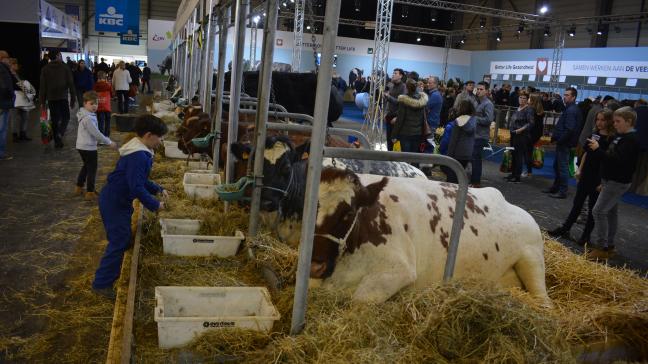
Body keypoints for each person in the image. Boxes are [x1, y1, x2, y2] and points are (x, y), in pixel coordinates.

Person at [92, 114, 169, 299]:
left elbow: (139, 180)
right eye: (159, 137)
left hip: (117, 200)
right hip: (115, 202)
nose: (160, 142)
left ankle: (113, 268)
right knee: (118, 241)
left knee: (123, 238)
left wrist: (158, 188)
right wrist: (154, 204)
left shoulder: (138, 150)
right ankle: (101, 284)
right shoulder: (139, 156)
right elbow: (136, 187)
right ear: (149, 135)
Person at [549, 109, 615, 245]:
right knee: (577, 204)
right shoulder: (594, 134)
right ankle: (565, 228)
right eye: (598, 119)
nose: (600, 122)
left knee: (593, 208)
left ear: (609, 121)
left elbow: (609, 161)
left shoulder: (612, 139)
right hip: (587, 173)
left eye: (603, 120)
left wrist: (604, 181)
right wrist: (580, 168)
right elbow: (586, 153)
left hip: (599, 176)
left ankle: (586, 236)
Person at [586, 107, 641, 260]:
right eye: (615, 121)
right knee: (610, 213)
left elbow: (618, 161)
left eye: (618, 121)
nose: (614, 124)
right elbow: (612, 158)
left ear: (629, 122)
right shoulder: (620, 136)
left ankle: (602, 247)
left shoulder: (631, 140)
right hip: (611, 181)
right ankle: (609, 245)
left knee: (598, 211)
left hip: (617, 182)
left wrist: (598, 150)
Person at [75, 91, 117, 200]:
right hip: (88, 147)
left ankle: (79, 187)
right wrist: (109, 142)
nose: (94, 106)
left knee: (86, 166)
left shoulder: (84, 114)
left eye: (96, 103)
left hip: (81, 146)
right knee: (92, 169)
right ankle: (90, 192)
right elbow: (96, 133)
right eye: (91, 103)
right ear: (85, 103)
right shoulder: (88, 118)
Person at [543, 87, 582, 199]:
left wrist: (559, 140)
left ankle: (562, 190)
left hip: (565, 143)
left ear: (573, 97)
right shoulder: (571, 109)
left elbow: (569, 129)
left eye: (567, 95)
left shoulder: (571, 110)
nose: (565, 97)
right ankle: (556, 187)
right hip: (565, 142)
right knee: (557, 166)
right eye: (564, 94)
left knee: (562, 167)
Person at [40, 50, 76, 149]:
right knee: (66, 117)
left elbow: (42, 87)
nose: (61, 56)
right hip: (62, 97)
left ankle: (57, 140)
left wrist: (42, 101)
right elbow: (71, 83)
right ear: (57, 56)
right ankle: (59, 134)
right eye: (60, 55)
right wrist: (73, 98)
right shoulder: (65, 67)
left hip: (51, 98)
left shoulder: (45, 69)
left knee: (55, 119)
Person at [444, 100, 476, 183]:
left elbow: (454, 140)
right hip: (467, 153)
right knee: (461, 177)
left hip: (457, 153)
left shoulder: (458, 121)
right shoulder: (473, 120)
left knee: (452, 178)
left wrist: (449, 155)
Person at [392, 78, 428, 153]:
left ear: (407, 87)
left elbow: (400, 119)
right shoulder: (423, 100)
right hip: (418, 134)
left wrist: (394, 135)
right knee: (414, 156)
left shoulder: (403, 100)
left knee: (405, 158)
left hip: (405, 134)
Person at [506, 90, 534, 183]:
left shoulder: (528, 109)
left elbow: (530, 123)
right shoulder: (517, 108)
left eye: (524, 98)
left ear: (527, 99)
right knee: (513, 154)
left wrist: (520, 130)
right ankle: (513, 173)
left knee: (518, 156)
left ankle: (517, 176)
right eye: (520, 97)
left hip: (522, 136)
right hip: (513, 134)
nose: (521, 99)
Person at [470, 81, 494, 187]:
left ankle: (476, 182)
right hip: (473, 134)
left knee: (476, 159)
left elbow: (488, 120)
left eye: (481, 89)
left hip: (481, 136)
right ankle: (473, 180)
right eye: (478, 89)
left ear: (487, 91)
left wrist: (475, 118)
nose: (478, 91)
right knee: (473, 158)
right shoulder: (476, 102)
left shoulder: (488, 104)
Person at [10, 60, 36, 142]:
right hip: (14, 99)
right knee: (14, 117)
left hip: (24, 98)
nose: (17, 65)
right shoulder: (8, 75)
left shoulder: (20, 74)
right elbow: (14, 86)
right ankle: (14, 135)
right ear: (11, 65)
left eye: (17, 64)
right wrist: (23, 87)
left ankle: (23, 133)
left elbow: (25, 83)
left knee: (25, 117)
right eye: (14, 64)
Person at [0, 50, 19, 160]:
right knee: (2, 129)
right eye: (7, 58)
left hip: (3, 102)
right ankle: (1, 153)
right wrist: (11, 95)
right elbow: (4, 86)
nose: (9, 60)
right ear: (3, 58)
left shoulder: (5, 69)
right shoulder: (2, 69)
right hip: (3, 103)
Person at [384, 68, 406, 150]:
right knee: (389, 140)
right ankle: (389, 158)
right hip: (389, 116)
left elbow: (400, 103)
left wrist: (397, 117)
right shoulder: (392, 86)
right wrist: (386, 113)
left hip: (396, 118)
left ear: (400, 76)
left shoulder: (404, 87)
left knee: (395, 140)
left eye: (395, 73)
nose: (393, 74)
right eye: (393, 73)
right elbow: (389, 102)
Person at [93, 71, 114, 137]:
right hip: (107, 106)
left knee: (100, 121)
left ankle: (101, 136)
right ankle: (107, 135)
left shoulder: (95, 85)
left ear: (98, 77)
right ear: (105, 77)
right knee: (108, 120)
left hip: (99, 106)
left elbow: (93, 94)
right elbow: (112, 94)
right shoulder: (108, 85)